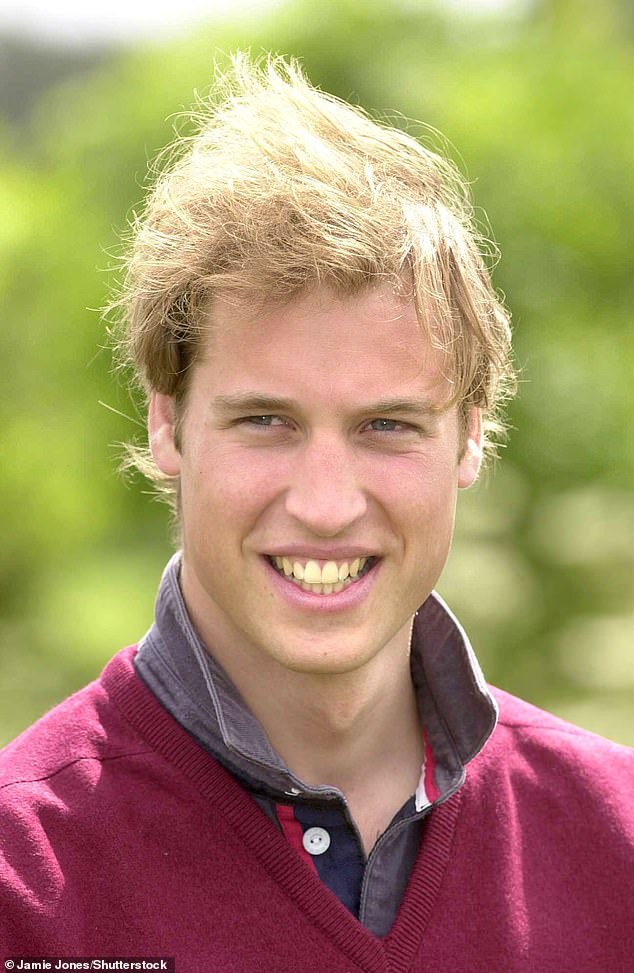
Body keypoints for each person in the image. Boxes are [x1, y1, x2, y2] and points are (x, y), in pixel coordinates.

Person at [1, 55, 632, 972]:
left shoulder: (615, 848)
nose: (327, 505)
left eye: (387, 425)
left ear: (470, 438)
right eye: (267, 421)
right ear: (168, 418)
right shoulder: (22, 879)